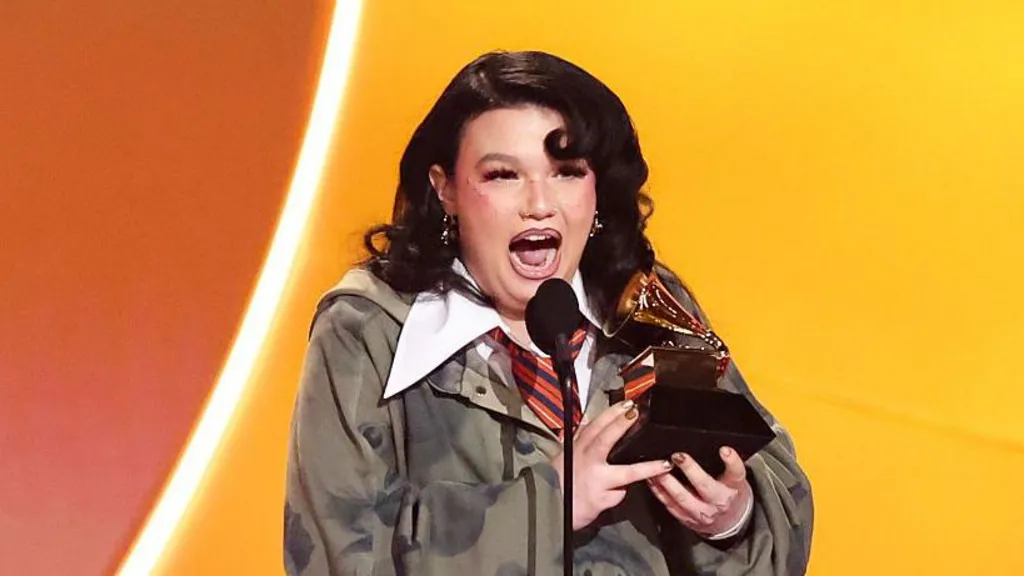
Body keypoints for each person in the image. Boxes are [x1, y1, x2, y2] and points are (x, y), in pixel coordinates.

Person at [284, 50, 813, 576]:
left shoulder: (642, 306)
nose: (539, 203)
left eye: (566, 172)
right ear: (445, 190)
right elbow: (337, 555)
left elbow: (778, 500)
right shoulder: (368, 329)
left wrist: (730, 518)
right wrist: (551, 503)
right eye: (502, 175)